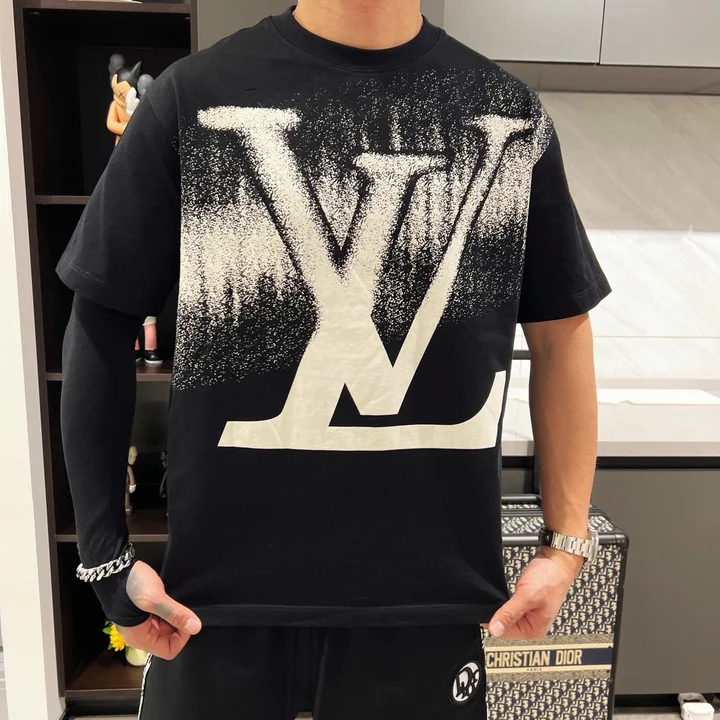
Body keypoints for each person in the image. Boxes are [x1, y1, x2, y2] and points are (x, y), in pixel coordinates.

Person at [57, 1, 611, 718]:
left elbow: (562, 328)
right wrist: (104, 557)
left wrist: (566, 544)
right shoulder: (193, 97)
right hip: (215, 611)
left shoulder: (508, 115)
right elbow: (100, 314)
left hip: (427, 611)